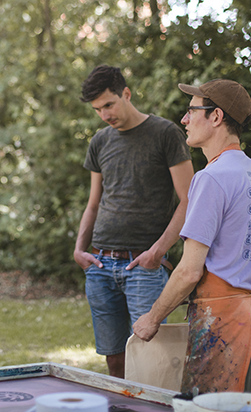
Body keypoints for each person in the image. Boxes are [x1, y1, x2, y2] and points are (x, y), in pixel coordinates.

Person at [132, 79, 251, 395]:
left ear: (216, 117)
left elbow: (188, 271)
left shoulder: (210, 179)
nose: (184, 120)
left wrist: (152, 318)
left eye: (191, 111)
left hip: (221, 331)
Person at [73, 64, 194, 379]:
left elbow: (189, 199)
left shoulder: (166, 133)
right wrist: (79, 249)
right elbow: (94, 203)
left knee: (152, 360)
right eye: (97, 109)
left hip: (143, 265)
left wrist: (157, 252)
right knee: (115, 362)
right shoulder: (100, 141)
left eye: (109, 105)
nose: (104, 115)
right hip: (100, 266)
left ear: (126, 94)